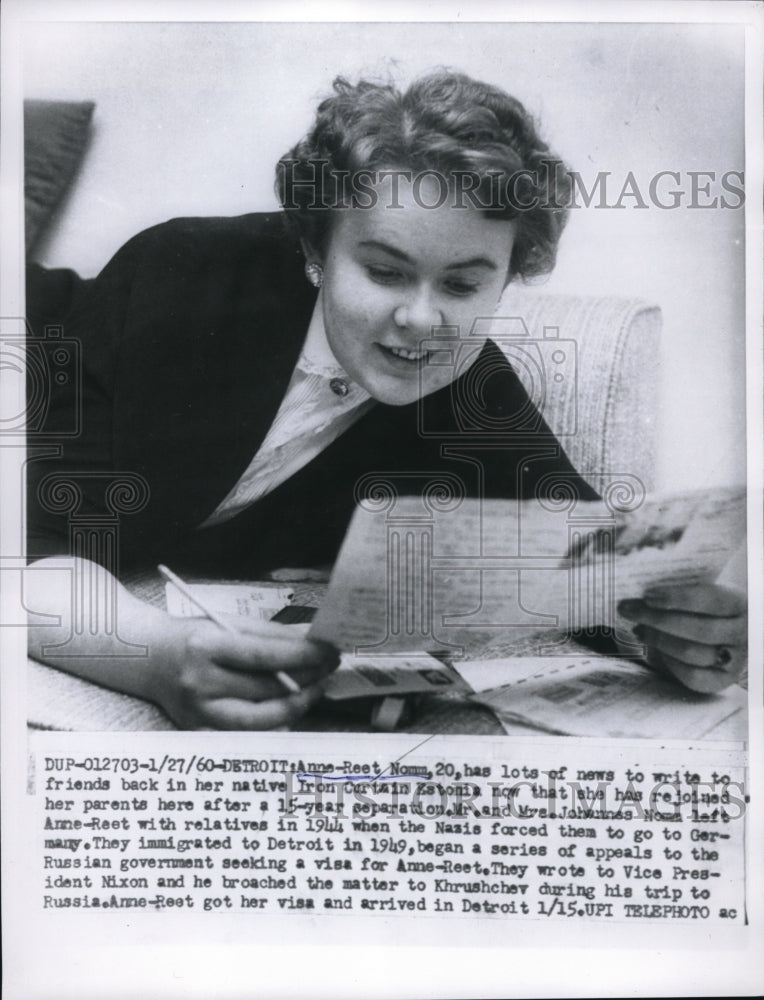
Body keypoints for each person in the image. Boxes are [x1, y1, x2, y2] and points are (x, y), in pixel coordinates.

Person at [26, 71, 747, 730]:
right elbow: (28, 544)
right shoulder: (186, 276)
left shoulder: (467, 385)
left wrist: (673, 632)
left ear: (505, 280)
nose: (423, 320)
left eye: (463, 285)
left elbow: (584, 554)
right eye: (384, 271)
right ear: (316, 250)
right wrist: (153, 658)